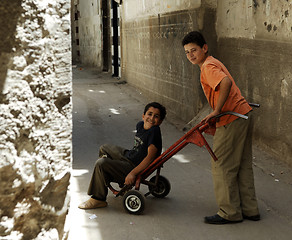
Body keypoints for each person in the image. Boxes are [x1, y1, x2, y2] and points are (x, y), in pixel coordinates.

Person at [182, 31, 260, 224]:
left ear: (204, 48)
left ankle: (229, 212)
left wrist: (216, 111)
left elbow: (224, 82)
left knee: (222, 164)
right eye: (187, 52)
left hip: (232, 117)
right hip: (243, 113)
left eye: (194, 50)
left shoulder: (208, 66)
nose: (191, 55)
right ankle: (250, 209)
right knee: (242, 164)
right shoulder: (212, 63)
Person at [78, 102, 167, 209]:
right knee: (104, 148)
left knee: (101, 163)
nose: (151, 118)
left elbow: (150, 158)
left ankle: (98, 198)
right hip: (130, 156)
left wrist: (132, 174)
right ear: (143, 115)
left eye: (156, 116)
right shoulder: (140, 125)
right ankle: (109, 175)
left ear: (160, 121)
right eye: (149, 114)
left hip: (134, 165)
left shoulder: (154, 131)